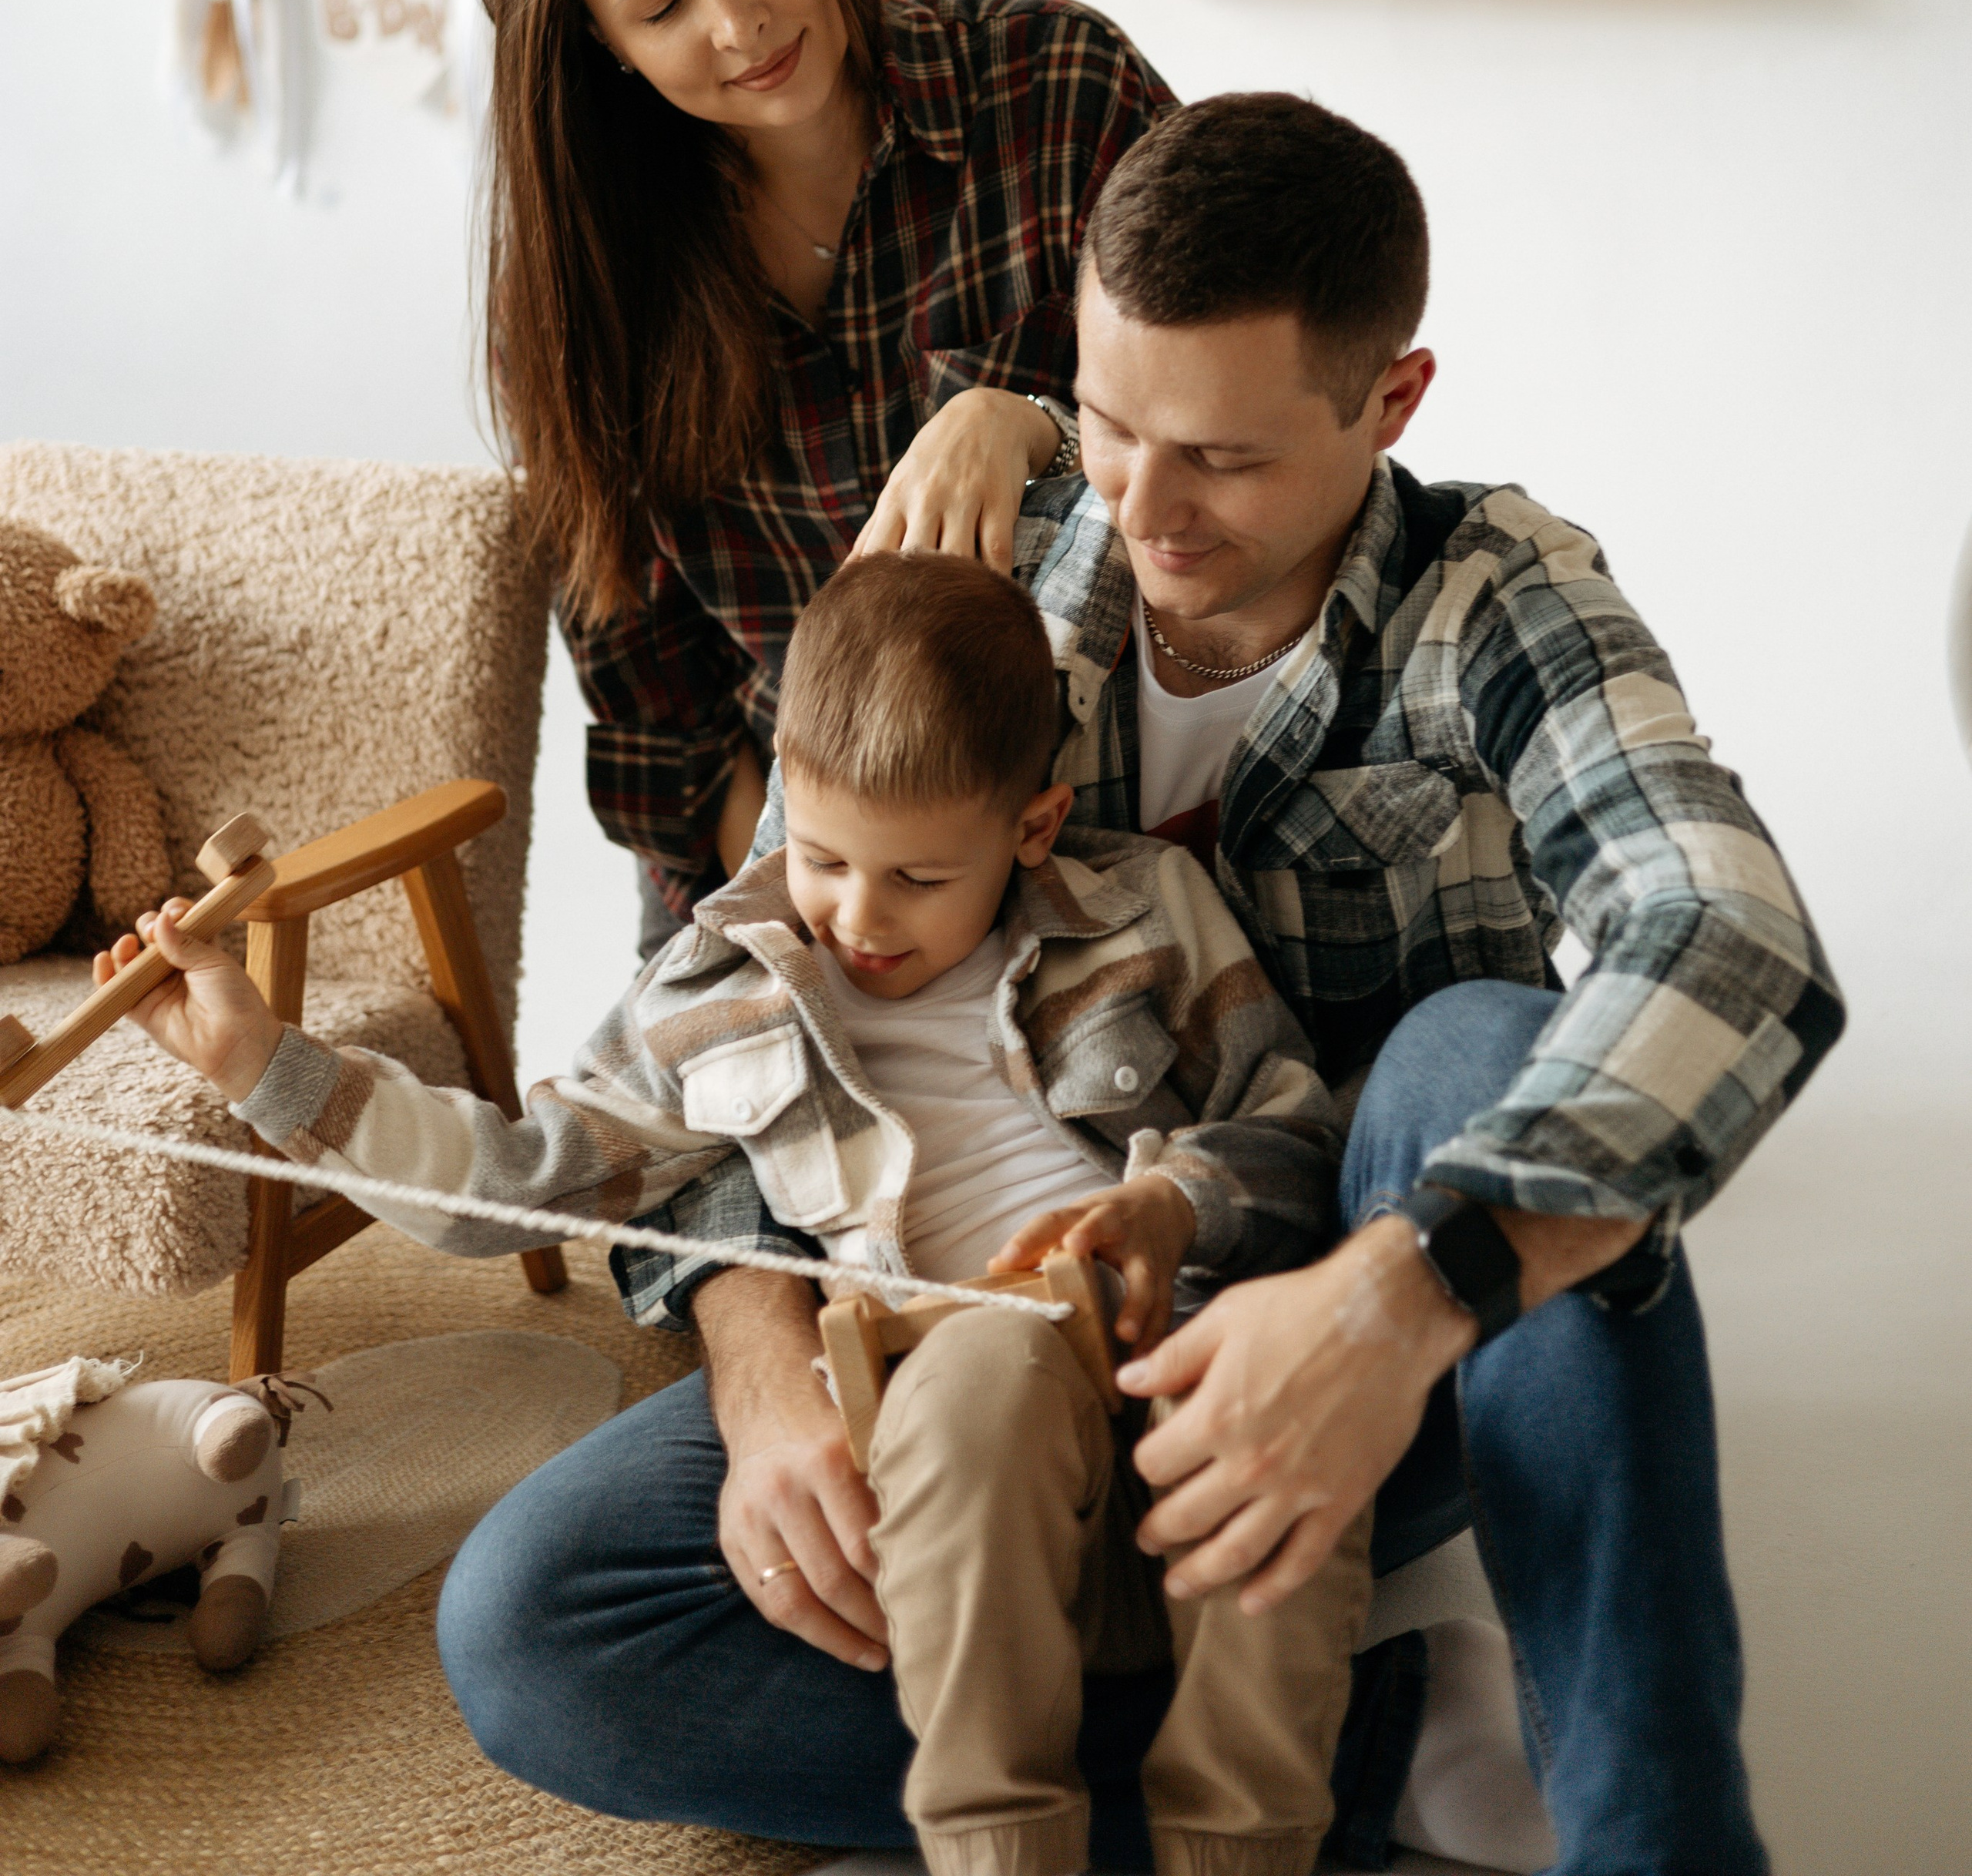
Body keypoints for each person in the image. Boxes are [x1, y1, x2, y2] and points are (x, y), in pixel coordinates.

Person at [438, 92, 1844, 1876]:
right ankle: (1382, 1742)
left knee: (1479, 1047)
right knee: (533, 1635)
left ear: (1388, 402)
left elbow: (1729, 937)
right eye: (1102, 424)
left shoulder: (1494, 594)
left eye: (1226, 460)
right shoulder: (994, 558)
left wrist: (1391, 1302)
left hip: (1355, 1334)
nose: (1142, 510)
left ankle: (1648, 1838)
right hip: (966, 1330)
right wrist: (759, 1349)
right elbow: (735, 985)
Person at [96, 549, 1369, 1876]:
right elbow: (506, 1188)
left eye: (922, 880)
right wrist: (263, 1066)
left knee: (1265, 1420)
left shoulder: (1144, 910)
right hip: (964, 1422)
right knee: (981, 1375)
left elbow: (1291, 1130)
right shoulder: (709, 989)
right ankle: (1008, 1844)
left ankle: (1264, 1833)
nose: (861, 918)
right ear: (783, 807)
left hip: (1172, 1353)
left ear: (1034, 828)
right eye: (822, 857)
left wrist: (1169, 1205)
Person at [476, 0, 1172, 950]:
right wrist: (785, 878)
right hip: (795, 860)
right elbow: (636, 654)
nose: (740, 24)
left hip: (1107, 826)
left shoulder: (1057, 89)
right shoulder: (596, 278)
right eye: (662, 7)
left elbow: (1229, 429)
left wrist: (1032, 426)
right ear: (605, 47)